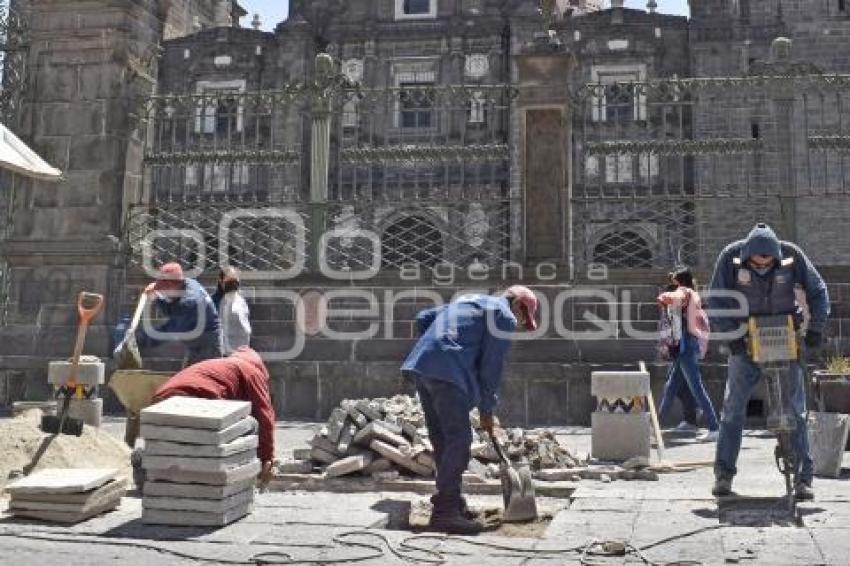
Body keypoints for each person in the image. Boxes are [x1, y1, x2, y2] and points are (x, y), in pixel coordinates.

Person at [401, 285, 539, 535]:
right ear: (517, 304)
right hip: (448, 372)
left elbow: (424, 317)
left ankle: (452, 502)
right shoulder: (503, 315)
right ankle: (445, 512)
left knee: (443, 439)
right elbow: (491, 367)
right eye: (523, 316)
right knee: (460, 440)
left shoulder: (468, 302)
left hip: (422, 367)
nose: (519, 322)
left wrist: (438, 347)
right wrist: (487, 410)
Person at [707, 223, 829, 500]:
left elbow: (818, 291)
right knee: (733, 408)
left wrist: (816, 329)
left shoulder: (792, 255)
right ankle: (723, 475)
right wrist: (732, 335)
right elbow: (716, 299)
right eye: (757, 261)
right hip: (746, 342)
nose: (763, 264)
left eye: (768, 260)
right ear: (747, 254)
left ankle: (802, 479)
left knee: (795, 411)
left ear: (776, 255)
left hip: (785, 338)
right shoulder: (730, 257)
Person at [151, 346, 276, 487]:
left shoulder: (219, 366)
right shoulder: (252, 371)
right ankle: (229, 481)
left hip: (160, 401)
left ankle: (150, 472)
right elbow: (265, 415)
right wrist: (267, 458)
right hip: (198, 400)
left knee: (167, 446)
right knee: (250, 425)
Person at [656, 267, 719, 441]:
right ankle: (656, 426)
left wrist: (664, 297)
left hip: (685, 346)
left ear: (679, 281)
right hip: (685, 346)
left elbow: (674, 297)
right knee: (671, 388)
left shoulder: (684, 292)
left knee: (696, 389)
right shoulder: (693, 293)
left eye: (674, 281)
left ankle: (714, 427)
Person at [136, 262, 223, 366]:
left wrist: (138, 340)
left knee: (198, 380)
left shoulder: (189, 302)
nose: (163, 293)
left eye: (164, 290)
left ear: (172, 285)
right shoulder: (187, 284)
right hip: (198, 345)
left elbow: (167, 332)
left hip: (208, 349)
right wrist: (156, 297)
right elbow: (173, 311)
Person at [211, 267, 252, 354]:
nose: (233, 285)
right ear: (221, 281)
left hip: (240, 350)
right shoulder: (213, 302)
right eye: (230, 282)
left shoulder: (241, 300)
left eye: (235, 281)